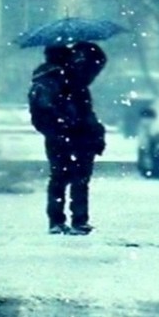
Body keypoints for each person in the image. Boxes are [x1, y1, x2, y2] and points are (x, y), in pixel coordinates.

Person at [28, 40, 109, 235]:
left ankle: (59, 220)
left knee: (60, 177)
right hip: (73, 134)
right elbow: (83, 111)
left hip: (62, 135)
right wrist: (78, 126)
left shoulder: (48, 80)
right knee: (76, 178)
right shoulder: (66, 80)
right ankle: (76, 220)